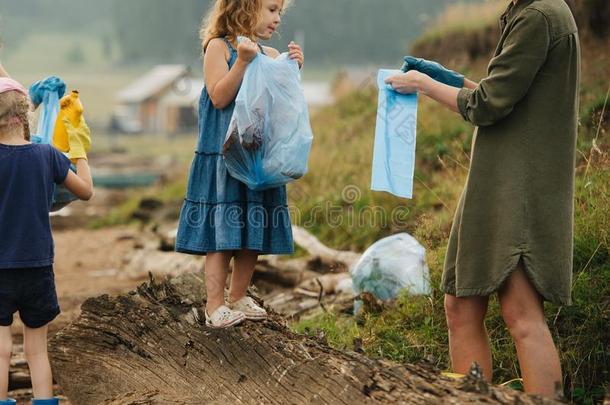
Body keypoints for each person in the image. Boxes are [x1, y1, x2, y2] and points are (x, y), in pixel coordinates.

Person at [385, 0, 580, 397]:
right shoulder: (528, 11)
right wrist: (451, 80)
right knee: (460, 305)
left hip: (520, 188)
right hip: (495, 184)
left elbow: (487, 106)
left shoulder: (540, 15)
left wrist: (424, 86)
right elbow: (502, 93)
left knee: (522, 314)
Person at [175, 0, 305, 329]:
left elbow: (283, 103)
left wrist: (293, 69)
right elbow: (219, 96)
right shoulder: (218, 48)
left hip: (257, 158)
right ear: (245, 7)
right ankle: (214, 305)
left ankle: (238, 295)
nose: (277, 19)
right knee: (224, 234)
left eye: (279, 13)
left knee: (253, 231)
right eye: (272, 9)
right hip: (223, 158)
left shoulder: (270, 55)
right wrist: (243, 63)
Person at [0, 65, 93, 405]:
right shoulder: (47, 155)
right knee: (37, 349)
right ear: (23, 115)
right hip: (37, 265)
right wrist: (80, 147)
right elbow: (84, 192)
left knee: (1, 348)